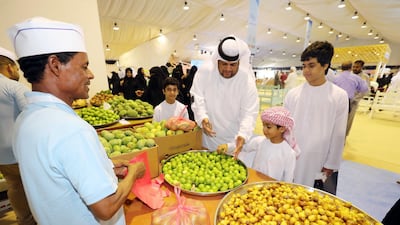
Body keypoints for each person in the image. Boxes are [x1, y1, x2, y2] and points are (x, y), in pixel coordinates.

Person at [9, 17, 145, 225]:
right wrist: (134, 173)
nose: (90, 75)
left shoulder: (24, 120)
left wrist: (103, 168)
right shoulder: (70, 129)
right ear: (55, 65)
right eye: (84, 66)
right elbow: (106, 207)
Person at [284, 41, 348, 194]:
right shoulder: (293, 94)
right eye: (304, 66)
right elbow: (285, 127)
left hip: (320, 159)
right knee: (289, 196)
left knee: (316, 201)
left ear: (325, 65)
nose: (306, 71)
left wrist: (331, 164)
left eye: (311, 65)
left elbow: (339, 134)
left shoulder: (339, 96)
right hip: (294, 156)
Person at [190, 35, 259, 156]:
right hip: (208, 140)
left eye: (232, 65)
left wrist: (243, 134)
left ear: (239, 62)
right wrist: (202, 117)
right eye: (224, 64)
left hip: (234, 142)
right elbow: (197, 97)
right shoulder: (205, 72)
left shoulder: (246, 80)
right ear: (217, 60)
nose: (228, 69)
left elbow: (249, 113)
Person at [0, 47, 36, 225]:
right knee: (36, 186)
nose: (16, 72)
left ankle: (25, 220)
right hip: (20, 151)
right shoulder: (13, 87)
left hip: (2, 155)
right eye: (15, 68)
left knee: (14, 186)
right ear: (8, 67)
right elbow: (32, 115)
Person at [219, 107, 299, 182]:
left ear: (282, 129)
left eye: (268, 127)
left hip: (272, 190)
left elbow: (288, 180)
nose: (264, 130)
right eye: (263, 125)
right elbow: (243, 147)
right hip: (254, 183)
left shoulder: (288, 153)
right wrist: (228, 146)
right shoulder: (260, 141)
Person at [333, 61, 369, 136]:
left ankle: (344, 136)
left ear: (362, 67)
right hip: (342, 101)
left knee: (348, 120)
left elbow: (365, 91)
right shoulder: (348, 75)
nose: (355, 68)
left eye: (357, 67)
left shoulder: (365, 77)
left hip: (353, 102)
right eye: (354, 67)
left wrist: (355, 99)